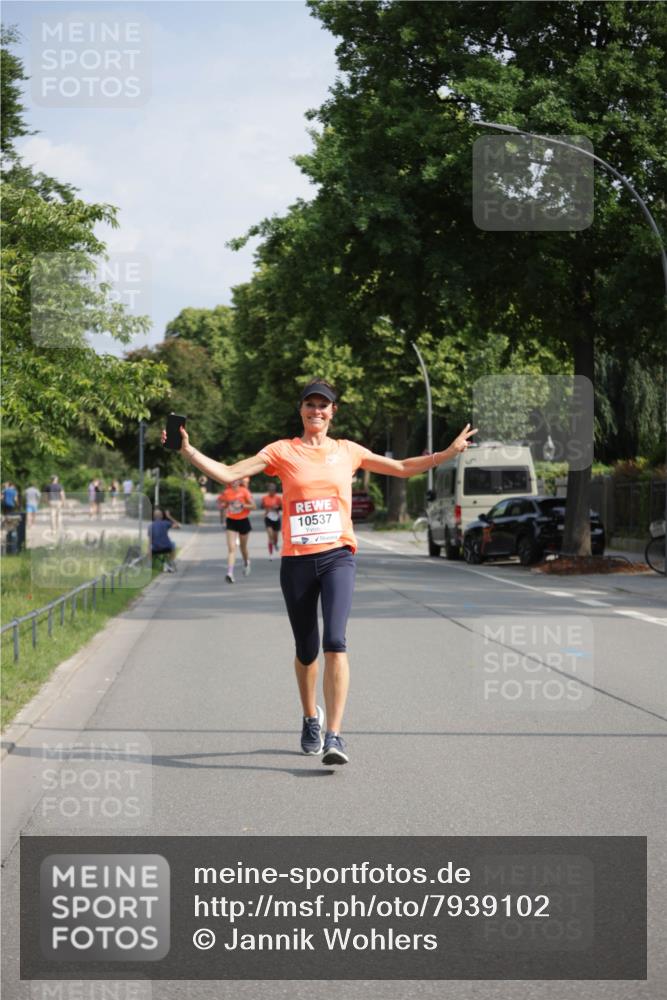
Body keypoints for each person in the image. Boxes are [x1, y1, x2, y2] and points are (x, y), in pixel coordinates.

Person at [162, 378, 476, 766]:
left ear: (333, 412)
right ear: (301, 411)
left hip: (337, 556)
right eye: (310, 405)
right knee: (307, 651)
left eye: (323, 406)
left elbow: (399, 467)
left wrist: (446, 453)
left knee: (336, 642)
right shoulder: (282, 451)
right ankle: (311, 716)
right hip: (297, 561)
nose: (317, 411)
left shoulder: (347, 451)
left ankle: (335, 736)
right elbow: (228, 473)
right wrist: (189, 450)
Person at [217, 479, 255, 582]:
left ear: (239, 482)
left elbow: (254, 506)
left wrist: (243, 505)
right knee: (231, 548)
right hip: (231, 521)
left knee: (243, 547)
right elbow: (220, 503)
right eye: (232, 481)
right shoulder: (226, 492)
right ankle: (229, 573)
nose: (233, 483)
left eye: (236, 481)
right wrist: (223, 505)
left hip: (243, 521)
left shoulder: (244, 491)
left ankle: (246, 562)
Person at [261, 482, 283, 559]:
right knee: (270, 535)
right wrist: (267, 509)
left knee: (275, 536)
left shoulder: (278, 498)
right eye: (270, 490)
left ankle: (276, 543)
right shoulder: (264, 498)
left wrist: (277, 507)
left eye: (273, 490)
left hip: (276, 518)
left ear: (275, 491)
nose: (271, 491)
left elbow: (282, 507)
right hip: (268, 518)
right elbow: (262, 506)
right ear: (268, 490)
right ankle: (271, 554)